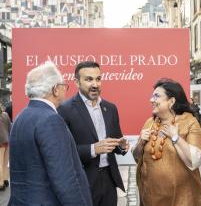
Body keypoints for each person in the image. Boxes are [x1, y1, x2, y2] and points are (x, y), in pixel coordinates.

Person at [9, 61, 92, 206]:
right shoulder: (50, 120)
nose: (65, 91)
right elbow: (64, 178)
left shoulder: (20, 117)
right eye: (63, 86)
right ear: (55, 89)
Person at [58, 61, 129, 206]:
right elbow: (62, 151)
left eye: (98, 79)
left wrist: (121, 146)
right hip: (82, 181)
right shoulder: (65, 110)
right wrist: (93, 149)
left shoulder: (110, 108)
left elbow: (115, 142)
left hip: (109, 180)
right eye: (89, 79)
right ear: (77, 82)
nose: (95, 84)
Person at [132, 78, 201, 206]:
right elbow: (137, 158)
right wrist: (141, 143)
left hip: (182, 199)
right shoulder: (150, 123)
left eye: (156, 96)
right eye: (152, 96)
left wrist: (176, 138)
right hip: (150, 198)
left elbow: (196, 160)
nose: (151, 100)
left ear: (171, 101)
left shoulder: (189, 122)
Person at [0, 102, 10, 191]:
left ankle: (1, 183)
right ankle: (6, 180)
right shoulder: (5, 115)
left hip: (0, 142)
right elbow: (9, 127)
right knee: (4, 162)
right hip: (7, 140)